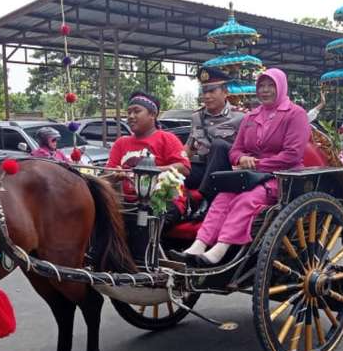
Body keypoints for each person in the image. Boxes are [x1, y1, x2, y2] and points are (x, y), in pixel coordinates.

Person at [172, 68, 309, 266]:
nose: (265, 90)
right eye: (261, 86)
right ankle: (199, 244)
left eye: (271, 85)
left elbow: (292, 155)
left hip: (281, 177)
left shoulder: (295, 114)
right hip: (249, 175)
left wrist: (257, 164)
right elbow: (235, 151)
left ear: (281, 87)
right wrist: (242, 158)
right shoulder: (251, 117)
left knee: (246, 200)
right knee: (222, 197)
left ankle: (220, 249)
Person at [107, 91, 190, 229]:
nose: (131, 116)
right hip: (129, 203)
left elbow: (185, 168)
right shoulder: (121, 142)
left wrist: (150, 171)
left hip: (164, 201)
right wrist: (115, 175)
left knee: (141, 223)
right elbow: (108, 175)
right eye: (129, 112)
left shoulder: (167, 138)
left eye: (136, 111)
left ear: (152, 115)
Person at [183, 67, 244, 218]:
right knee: (173, 174)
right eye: (204, 92)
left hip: (227, 171)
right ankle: (179, 208)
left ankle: (207, 199)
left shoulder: (240, 117)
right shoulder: (197, 117)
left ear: (225, 92)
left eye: (212, 91)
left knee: (218, 145)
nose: (207, 96)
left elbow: (247, 148)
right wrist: (174, 166)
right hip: (204, 167)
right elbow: (189, 148)